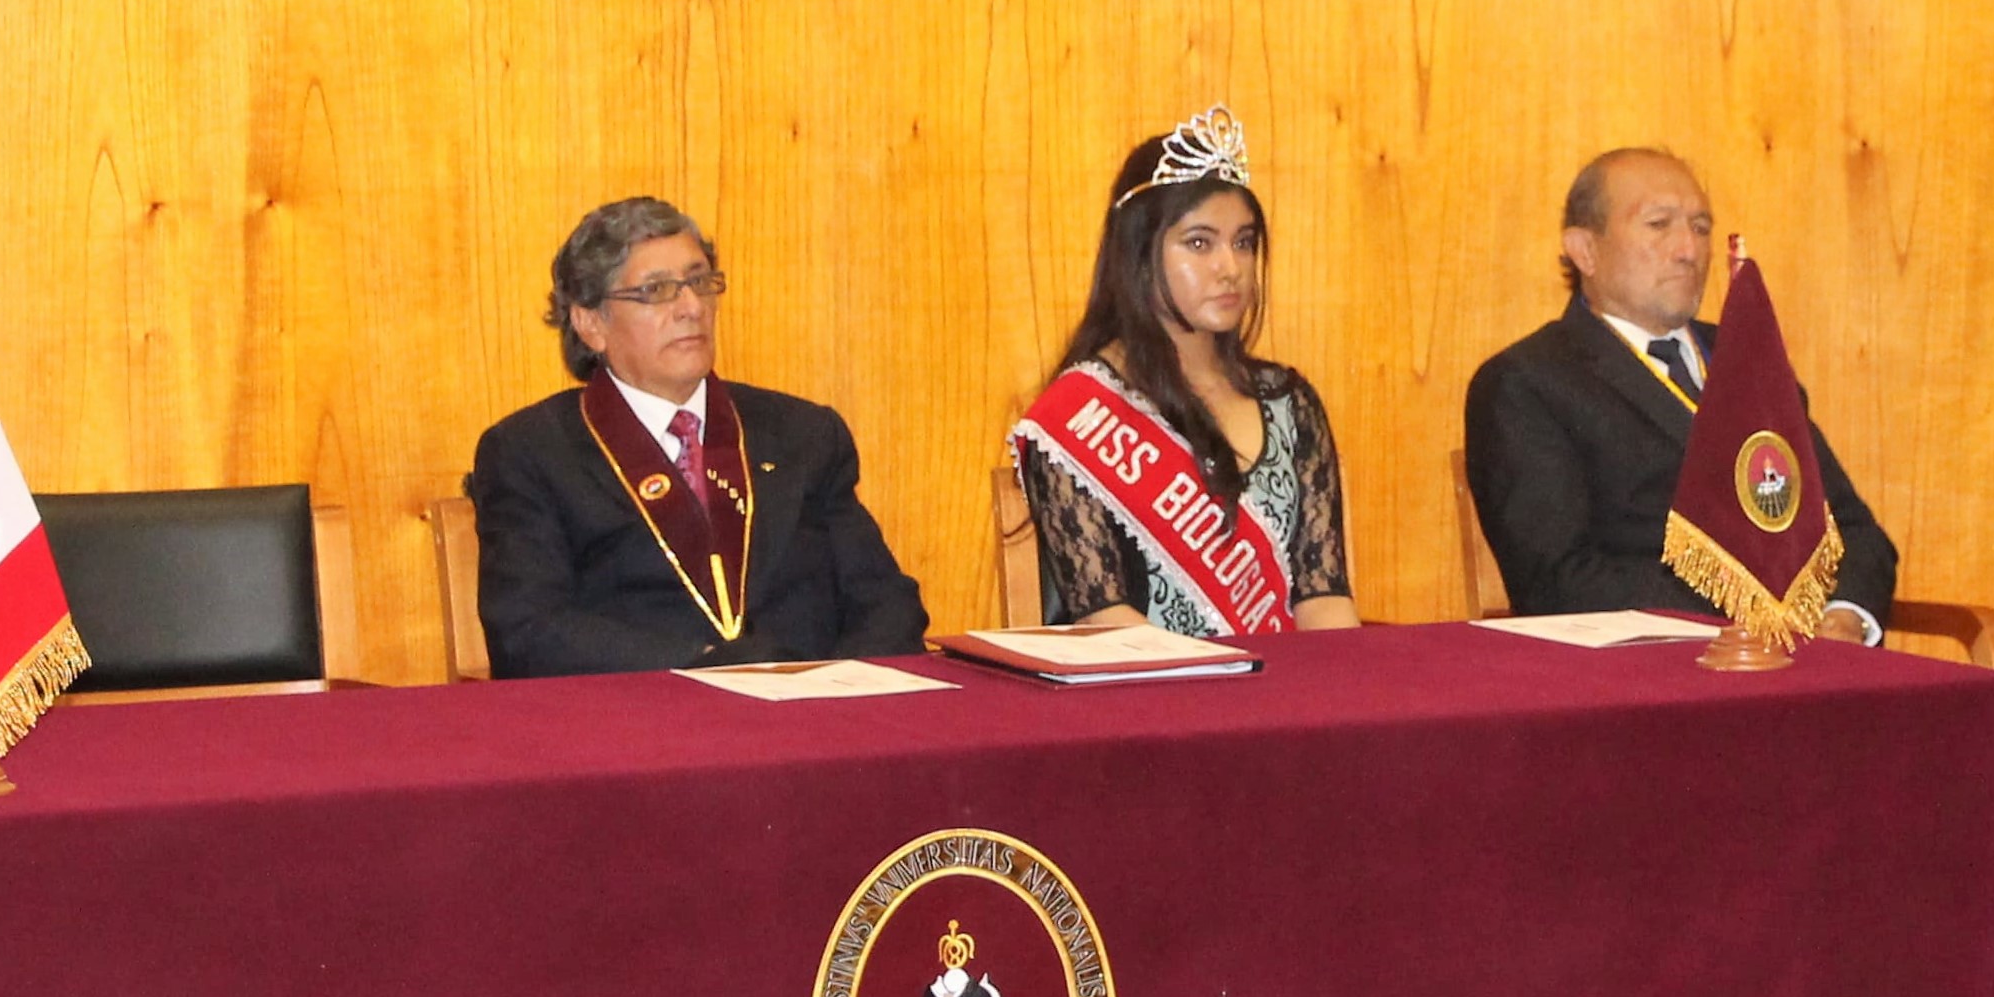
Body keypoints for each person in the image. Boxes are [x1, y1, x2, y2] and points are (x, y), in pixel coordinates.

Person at [465, 198, 926, 675]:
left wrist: (842, 687)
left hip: (820, 703)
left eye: (700, 282)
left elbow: (885, 600)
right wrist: (705, 670)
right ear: (591, 324)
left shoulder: (802, 433)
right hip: (644, 706)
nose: (691, 308)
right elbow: (528, 630)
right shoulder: (532, 452)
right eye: (656, 290)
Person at [1464, 149, 1897, 634]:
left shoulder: (1751, 365)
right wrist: (1755, 615)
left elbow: (1854, 531)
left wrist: (1846, 615)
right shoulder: (1528, 382)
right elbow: (1558, 581)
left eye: (1700, 227)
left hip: (1804, 654)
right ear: (1585, 250)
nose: (1689, 250)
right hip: (1645, 662)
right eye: (1658, 225)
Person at [1011, 110, 1360, 636]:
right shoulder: (1079, 416)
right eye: (1200, 243)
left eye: (1243, 242)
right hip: (1150, 683)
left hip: (1291, 684)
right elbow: (1106, 623)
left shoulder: (1289, 401)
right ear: (1138, 253)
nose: (1231, 268)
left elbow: (1323, 598)